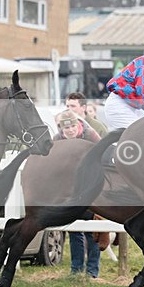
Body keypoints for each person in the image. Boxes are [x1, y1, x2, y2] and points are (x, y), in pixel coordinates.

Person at [53, 109, 102, 278]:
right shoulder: (57, 139)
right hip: (69, 190)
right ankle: (76, 269)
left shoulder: (91, 135)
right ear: (61, 129)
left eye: (73, 126)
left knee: (93, 232)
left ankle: (92, 271)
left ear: (78, 124)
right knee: (74, 230)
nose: (71, 131)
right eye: (67, 129)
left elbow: (102, 156)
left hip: (90, 188)